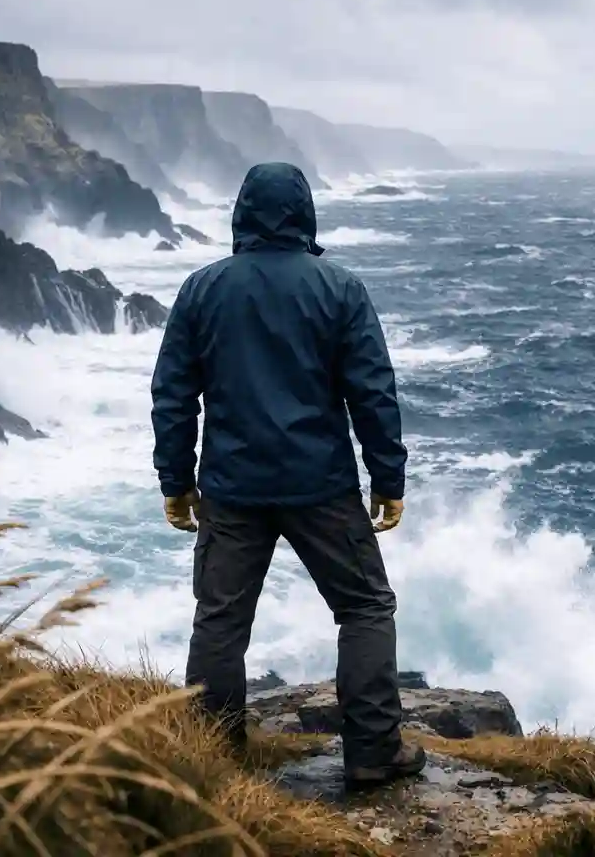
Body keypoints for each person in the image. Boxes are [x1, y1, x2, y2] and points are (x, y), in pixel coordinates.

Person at [150, 161, 425, 788]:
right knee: (363, 609)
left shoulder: (202, 289)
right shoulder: (340, 288)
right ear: (304, 212)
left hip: (231, 489)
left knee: (220, 621)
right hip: (320, 487)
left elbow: (172, 393)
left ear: (242, 211)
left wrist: (175, 480)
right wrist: (389, 479)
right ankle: (373, 753)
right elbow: (372, 392)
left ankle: (214, 760)